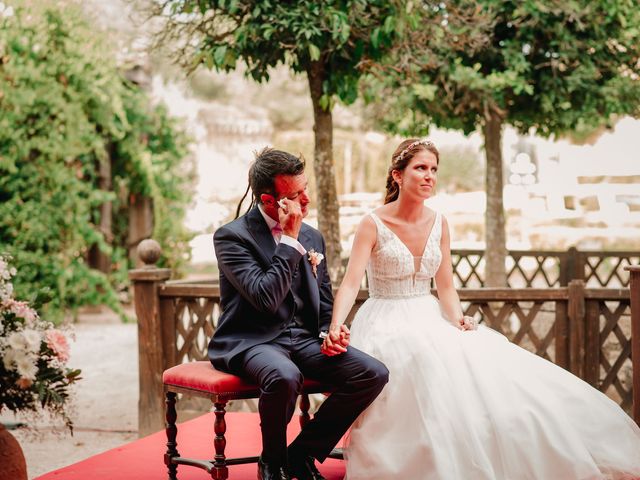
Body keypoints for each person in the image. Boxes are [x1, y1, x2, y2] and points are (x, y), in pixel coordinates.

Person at [324, 138, 640, 479]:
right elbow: (352, 282)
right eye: (420, 168)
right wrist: (336, 326)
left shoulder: (439, 222)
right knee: (418, 364)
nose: (429, 176)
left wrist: (457, 317)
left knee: (477, 366)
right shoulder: (372, 223)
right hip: (384, 317)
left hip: (428, 313)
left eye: (433, 169)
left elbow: (445, 284)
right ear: (397, 175)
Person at [208, 148, 389, 480]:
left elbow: (322, 301)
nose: (306, 200)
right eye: (295, 194)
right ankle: (272, 462)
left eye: (306, 188)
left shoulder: (312, 235)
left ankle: (301, 454)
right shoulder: (232, 237)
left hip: (303, 340)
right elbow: (265, 297)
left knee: (372, 372)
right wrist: (289, 241)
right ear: (268, 200)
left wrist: (330, 333)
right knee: (284, 375)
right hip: (252, 341)